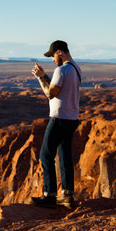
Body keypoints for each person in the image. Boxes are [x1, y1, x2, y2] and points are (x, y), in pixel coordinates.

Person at [30, 40, 81, 208]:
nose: (52, 59)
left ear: (59, 52)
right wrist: (44, 75)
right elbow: (59, 88)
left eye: (52, 55)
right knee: (64, 155)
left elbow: (50, 94)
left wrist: (39, 78)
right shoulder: (75, 68)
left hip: (59, 118)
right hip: (72, 118)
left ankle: (49, 195)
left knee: (46, 155)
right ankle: (67, 194)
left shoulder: (62, 70)